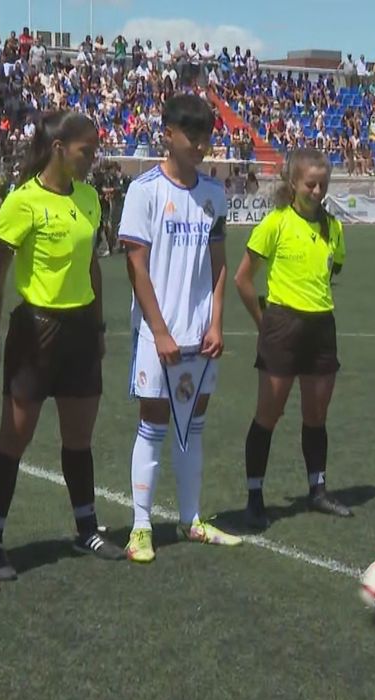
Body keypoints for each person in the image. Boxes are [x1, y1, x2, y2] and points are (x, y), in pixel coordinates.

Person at [0, 110, 124, 580]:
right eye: (87, 151)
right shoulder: (23, 201)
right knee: (13, 440)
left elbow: (94, 267)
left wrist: (98, 328)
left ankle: (87, 528)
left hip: (81, 331)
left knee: (79, 439)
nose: (93, 159)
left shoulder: (88, 198)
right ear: (59, 148)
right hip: (35, 331)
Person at [118, 94, 241, 563]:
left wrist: (216, 322)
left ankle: (190, 520)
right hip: (158, 334)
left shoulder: (213, 193)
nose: (201, 144)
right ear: (167, 134)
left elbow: (219, 264)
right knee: (153, 425)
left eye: (206, 136)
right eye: (192, 135)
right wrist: (161, 331)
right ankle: (141, 527)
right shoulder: (144, 190)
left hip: (200, 336)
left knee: (194, 426)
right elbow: (136, 266)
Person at [232, 149, 354, 530]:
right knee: (268, 416)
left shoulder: (334, 228)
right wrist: (264, 322)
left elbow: (332, 270)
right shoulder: (276, 223)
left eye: (323, 185)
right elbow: (243, 279)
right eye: (310, 184)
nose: (317, 191)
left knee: (316, 416)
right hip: (282, 326)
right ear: (293, 184)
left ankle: (317, 490)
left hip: (321, 327)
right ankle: (255, 497)